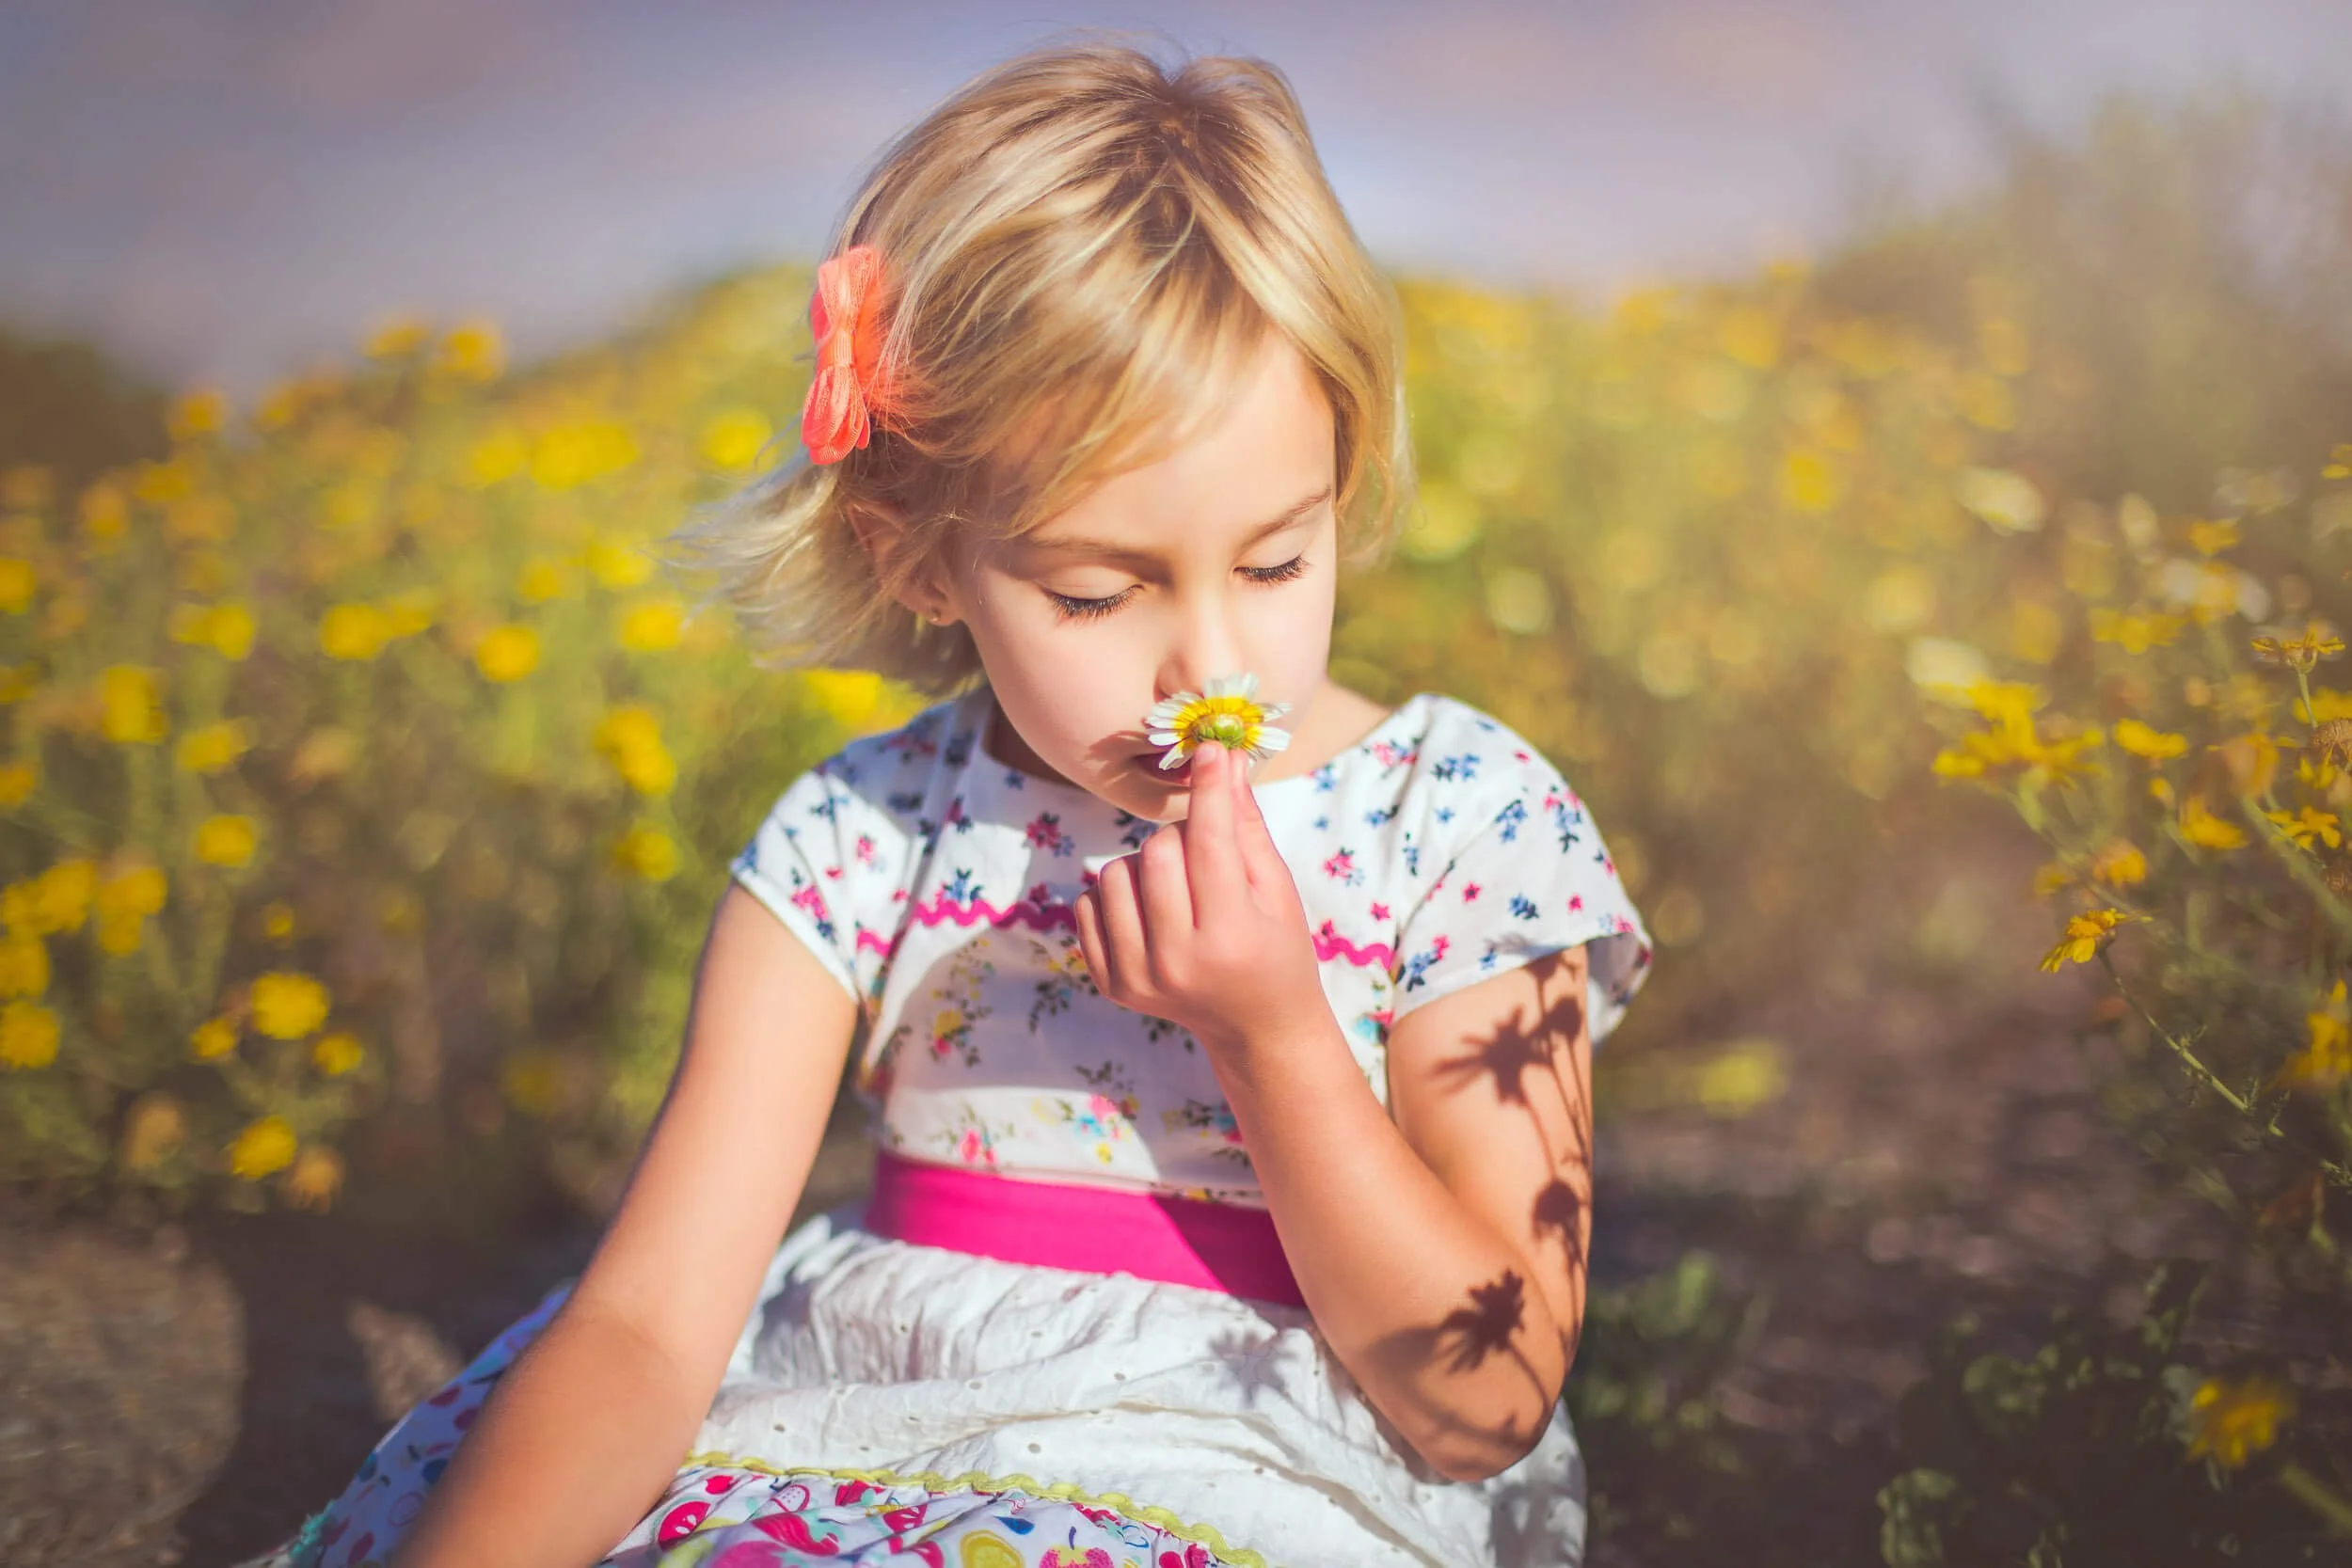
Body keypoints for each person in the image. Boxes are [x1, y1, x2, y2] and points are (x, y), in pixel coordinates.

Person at [261, 36, 1653, 1568]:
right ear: (921, 560)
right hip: (852, 1452)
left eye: (1276, 560)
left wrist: (1273, 1036)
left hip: (1235, 1483)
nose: (1212, 665)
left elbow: (1486, 1400)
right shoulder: (863, 838)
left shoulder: (1458, 821)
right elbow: (651, 1328)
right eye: (1097, 590)